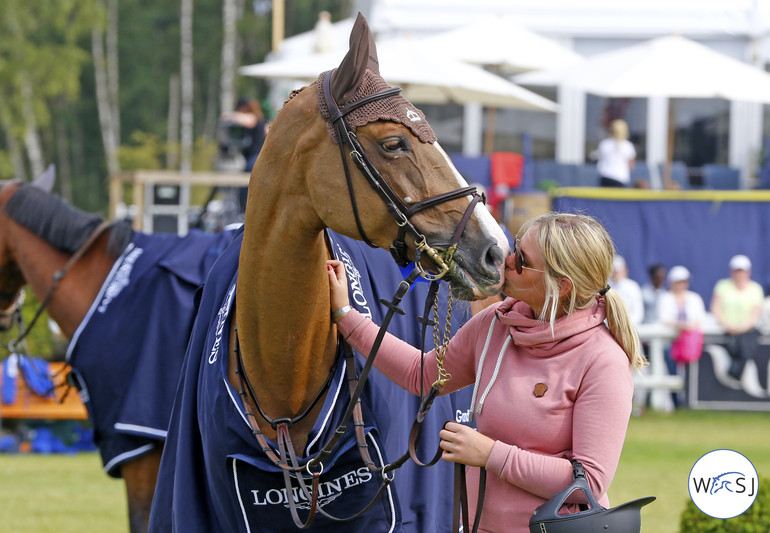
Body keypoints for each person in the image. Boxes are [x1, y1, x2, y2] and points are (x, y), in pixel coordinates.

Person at [327, 212, 647, 532]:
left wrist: (490, 454)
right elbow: (421, 374)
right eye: (515, 248)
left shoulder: (603, 360)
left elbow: (588, 482)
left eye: (522, 260)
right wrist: (346, 316)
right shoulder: (495, 321)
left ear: (561, 286)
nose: (506, 260)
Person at [656, 265, 706, 407]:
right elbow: (664, 319)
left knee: (690, 374)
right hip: (670, 344)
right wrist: (684, 325)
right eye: (678, 281)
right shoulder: (665, 298)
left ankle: (688, 403)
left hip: (689, 345)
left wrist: (682, 326)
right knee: (671, 372)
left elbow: (698, 319)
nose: (681, 284)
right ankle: (675, 403)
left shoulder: (694, 298)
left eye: (683, 281)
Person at [710, 254, 764, 380]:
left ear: (748, 272)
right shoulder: (722, 285)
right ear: (731, 271)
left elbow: (755, 314)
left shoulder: (755, 288)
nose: (740, 274)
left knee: (745, 351)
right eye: (737, 270)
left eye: (742, 270)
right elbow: (715, 308)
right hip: (725, 332)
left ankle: (735, 373)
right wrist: (728, 326)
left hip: (747, 333)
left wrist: (740, 329)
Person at [594, 119, 636, 187]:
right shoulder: (628, 146)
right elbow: (631, 166)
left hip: (605, 176)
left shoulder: (604, 144)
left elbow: (599, 159)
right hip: (620, 177)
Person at [609, 255, 645, 325]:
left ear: (624, 270)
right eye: (614, 272)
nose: (616, 274)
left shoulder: (633, 286)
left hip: (630, 327)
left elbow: (638, 313)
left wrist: (625, 325)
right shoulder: (606, 287)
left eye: (618, 271)